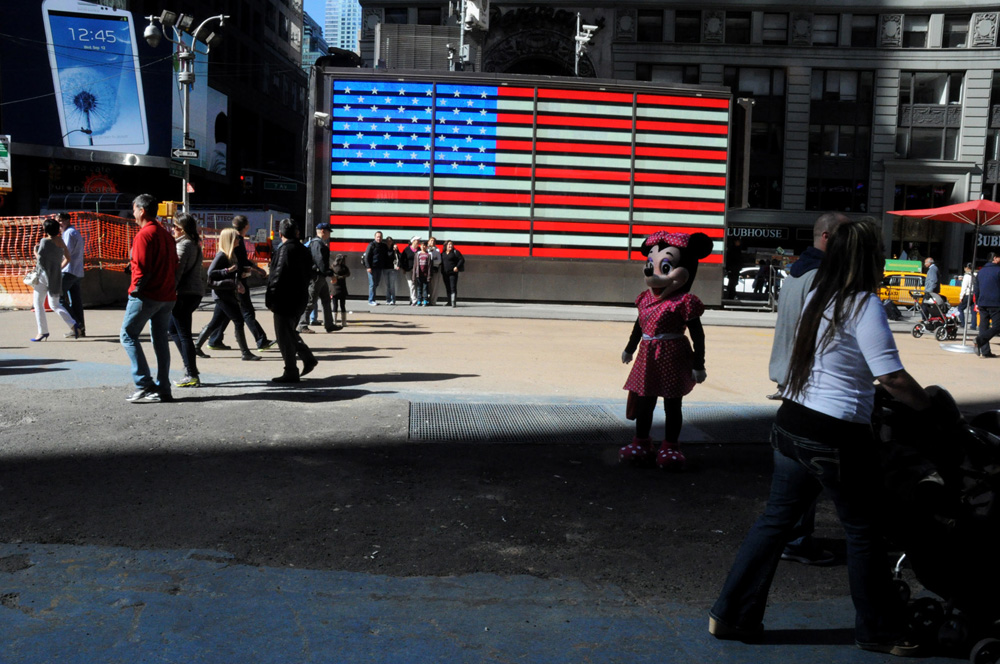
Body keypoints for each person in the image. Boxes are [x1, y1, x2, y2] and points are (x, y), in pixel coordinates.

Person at [710, 218, 932, 657]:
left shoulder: (819, 293)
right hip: (834, 434)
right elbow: (891, 377)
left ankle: (731, 614)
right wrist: (932, 410)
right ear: (868, 258)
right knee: (864, 531)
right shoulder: (863, 303)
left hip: (793, 422)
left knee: (776, 521)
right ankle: (878, 629)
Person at [766, 211, 847, 564]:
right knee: (810, 466)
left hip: (789, 375)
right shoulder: (822, 277)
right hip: (808, 380)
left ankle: (791, 536)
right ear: (828, 237)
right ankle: (795, 540)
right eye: (845, 234)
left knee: (795, 468)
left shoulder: (795, 272)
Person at [619, 232, 712, 470]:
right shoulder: (644, 299)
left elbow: (697, 334)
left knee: (672, 404)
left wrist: (698, 364)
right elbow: (639, 325)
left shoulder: (684, 301)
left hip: (674, 356)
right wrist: (630, 348)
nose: (654, 273)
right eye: (651, 265)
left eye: (666, 266)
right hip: (647, 356)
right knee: (645, 402)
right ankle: (641, 442)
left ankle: (670, 446)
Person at [120, 194, 178, 403]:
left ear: (142, 210)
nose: (133, 213)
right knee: (160, 339)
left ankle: (144, 383)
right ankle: (163, 387)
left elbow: (142, 270)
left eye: (134, 209)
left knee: (128, 335)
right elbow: (173, 265)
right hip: (167, 295)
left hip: (147, 295)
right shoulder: (166, 235)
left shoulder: (144, 235)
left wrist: (135, 289)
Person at [207, 216, 276, 352]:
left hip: (233, 283)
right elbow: (240, 261)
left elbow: (242, 261)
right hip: (237, 282)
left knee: (224, 314)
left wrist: (255, 268)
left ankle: (214, 340)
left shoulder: (236, 239)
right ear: (246, 226)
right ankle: (260, 340)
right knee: (247, 312)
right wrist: (254, 270)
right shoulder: (236, 240)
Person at [194, 228, 260, 362]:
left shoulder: (231, 255)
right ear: (229, 240)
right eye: (236, 238)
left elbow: (232, 273)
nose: (239, 240)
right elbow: (211, 273)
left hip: (227, 292)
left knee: (215, 322)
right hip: (222, 294)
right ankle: (245, 352)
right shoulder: (222, 255)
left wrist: (238, 281)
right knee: (239, 320)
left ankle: (196, 346)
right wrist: (226, 271)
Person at [266, 218, 317, 383]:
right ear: (297, 233)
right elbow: (310, 273)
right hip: (299, 298)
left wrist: (270, 299)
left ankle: (292, 369)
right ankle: (304, 357)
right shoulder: (303, 250)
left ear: (280, 234)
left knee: (283, 335)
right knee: (288, 332)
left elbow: (277, 276)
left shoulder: (284, 250)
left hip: (284, 299)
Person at [167, 213, 205, 388]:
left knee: (183, 334)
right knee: (173, 330)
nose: (172, 230)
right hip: (192, 293)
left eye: (175, 227)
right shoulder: (194, 244)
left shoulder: (185, 245)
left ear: (182, 229)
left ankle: (191, 373)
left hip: (184, 294)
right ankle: (189, 367)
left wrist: (168, 292)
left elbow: (177, 272)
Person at [29, 217, 78, 342]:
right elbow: (68, 258)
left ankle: (42, 332)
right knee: (55, 304)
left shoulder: (44, 242)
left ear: (45, 230)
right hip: (55, 277)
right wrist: (58, 268)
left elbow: (40, 261)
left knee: (38, 304)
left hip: (42, 276)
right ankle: (73, 324)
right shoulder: (60, 241)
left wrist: (35, 252)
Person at [298, 223, 335, 333]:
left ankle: (329, 324)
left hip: (320, 276)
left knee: (326, 300)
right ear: (323, 231)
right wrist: (329, 273)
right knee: (311, 301)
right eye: (328, 231)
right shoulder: (317, 244)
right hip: (317, 276)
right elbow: (320, 261)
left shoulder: (317, 243)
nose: (329, 234)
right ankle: (302, 324)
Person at [57, 212, 86, 337]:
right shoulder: (74, 232)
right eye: (58, 221)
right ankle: (81, 328)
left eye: (61, 220)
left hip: (68, 270)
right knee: (76, 300)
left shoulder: (69, 233)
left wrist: (57, 267)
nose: (60, 223)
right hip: (76, 271)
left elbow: (66, 253)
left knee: (58, 298)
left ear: (68, 220)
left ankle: (76, 325)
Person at [974, 252, 1000, 358]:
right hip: (995, 302)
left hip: (982, 302)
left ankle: (985, 351)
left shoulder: (981, 271)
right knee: (998, 326)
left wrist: (977, 302)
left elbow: (976, 288)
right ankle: (980, 340)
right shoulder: (998, 270)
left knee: (983, 326)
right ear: (995, 258)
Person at [364, 231, 389, 305]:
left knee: (376, 283)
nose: (379, 238)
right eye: (377, 237)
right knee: (372, 284)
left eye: (380, 237)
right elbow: (367, 257)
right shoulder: (371, 245)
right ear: (375, 237)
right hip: (372, 268)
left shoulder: (383, 246)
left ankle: (373, 299)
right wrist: (368, 266)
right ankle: (371, 300)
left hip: (379, 267)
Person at [441, 240, 465, 307]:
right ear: (445, 246)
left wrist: (457, 267)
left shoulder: (455, 252)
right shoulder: (443, 253)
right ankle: (449, 301)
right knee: (447, 287)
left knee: (453, 287)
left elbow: (462, 260)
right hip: (445, 273)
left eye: (451, 244)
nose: (450, 246)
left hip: (453, 273)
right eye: (449, 244)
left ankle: (453, 302)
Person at [330, 253, 350, 329]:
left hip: (334, 289)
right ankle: (343, 322)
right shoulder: (344, 268)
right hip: (342, 288)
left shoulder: (332, 267)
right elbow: (348, 274)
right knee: (342, 305)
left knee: (335, 305)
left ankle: (334, 321)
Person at [400, 236, 420, 305]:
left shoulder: (419, 249)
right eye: (417, 240)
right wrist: (403, 268)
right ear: (413, 241)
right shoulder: (407, 249)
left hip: (417, 270)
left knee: (417, 285)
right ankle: (414, 300)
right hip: (408, 270)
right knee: (411, 285)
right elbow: (402, 259)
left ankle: (415, 299)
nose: (418, 242)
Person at [412, 242, 431, 306]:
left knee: (425, 288)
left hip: (425, 274)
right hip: (419, 274)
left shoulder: (428, 255)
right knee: (419, 288)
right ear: (420, 246)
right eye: (422, 245)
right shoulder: (417, 255)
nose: (423, 247)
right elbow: (415, 266)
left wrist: (429, 275)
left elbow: (429, 266)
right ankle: (419, 300)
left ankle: (425, 300)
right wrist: (414, 276)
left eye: (424, 246)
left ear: (426, 247)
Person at [921, 256, 940, 321]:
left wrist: (929, 291)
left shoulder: (932, 269)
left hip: (930, 291)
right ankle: (928, 318)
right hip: (931, 291)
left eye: (925, 262)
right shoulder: (933, 268)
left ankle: (925, 318)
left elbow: (933, 281)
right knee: (928, 305)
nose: (925, 264)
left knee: (925, 305)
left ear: (929, 263)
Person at [956, 263, 973, 327]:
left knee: (960, 308)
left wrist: (961, 296)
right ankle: (974, 325)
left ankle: (962, 323)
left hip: (967, 294)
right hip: (973, 294)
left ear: (966, 268)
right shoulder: (974, 275)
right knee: (973, 310)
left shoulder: (966, 276)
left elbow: (964, 287)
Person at [426, 236, 442, 305]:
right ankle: (425, 300)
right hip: (426, 270)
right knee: (426, 286)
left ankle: (433, 301)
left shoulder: (437, 250)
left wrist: (431, 262)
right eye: (431, 240)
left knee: (434, 286)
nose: (432, 242)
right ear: (428, 242)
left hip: (435, 270)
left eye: (433, 241)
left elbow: (439, 261)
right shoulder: (425, 249)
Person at [384, 237, 399, 305]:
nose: (389, 242)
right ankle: (388, 299)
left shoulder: (394, 248)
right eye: (387, 241)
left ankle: (393, 299)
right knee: (387, 285)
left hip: (393, 269)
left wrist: (396, 250)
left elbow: (399, 256)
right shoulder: (384, 248)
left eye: (390, 241)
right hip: (385, 268)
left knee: (392, 285)